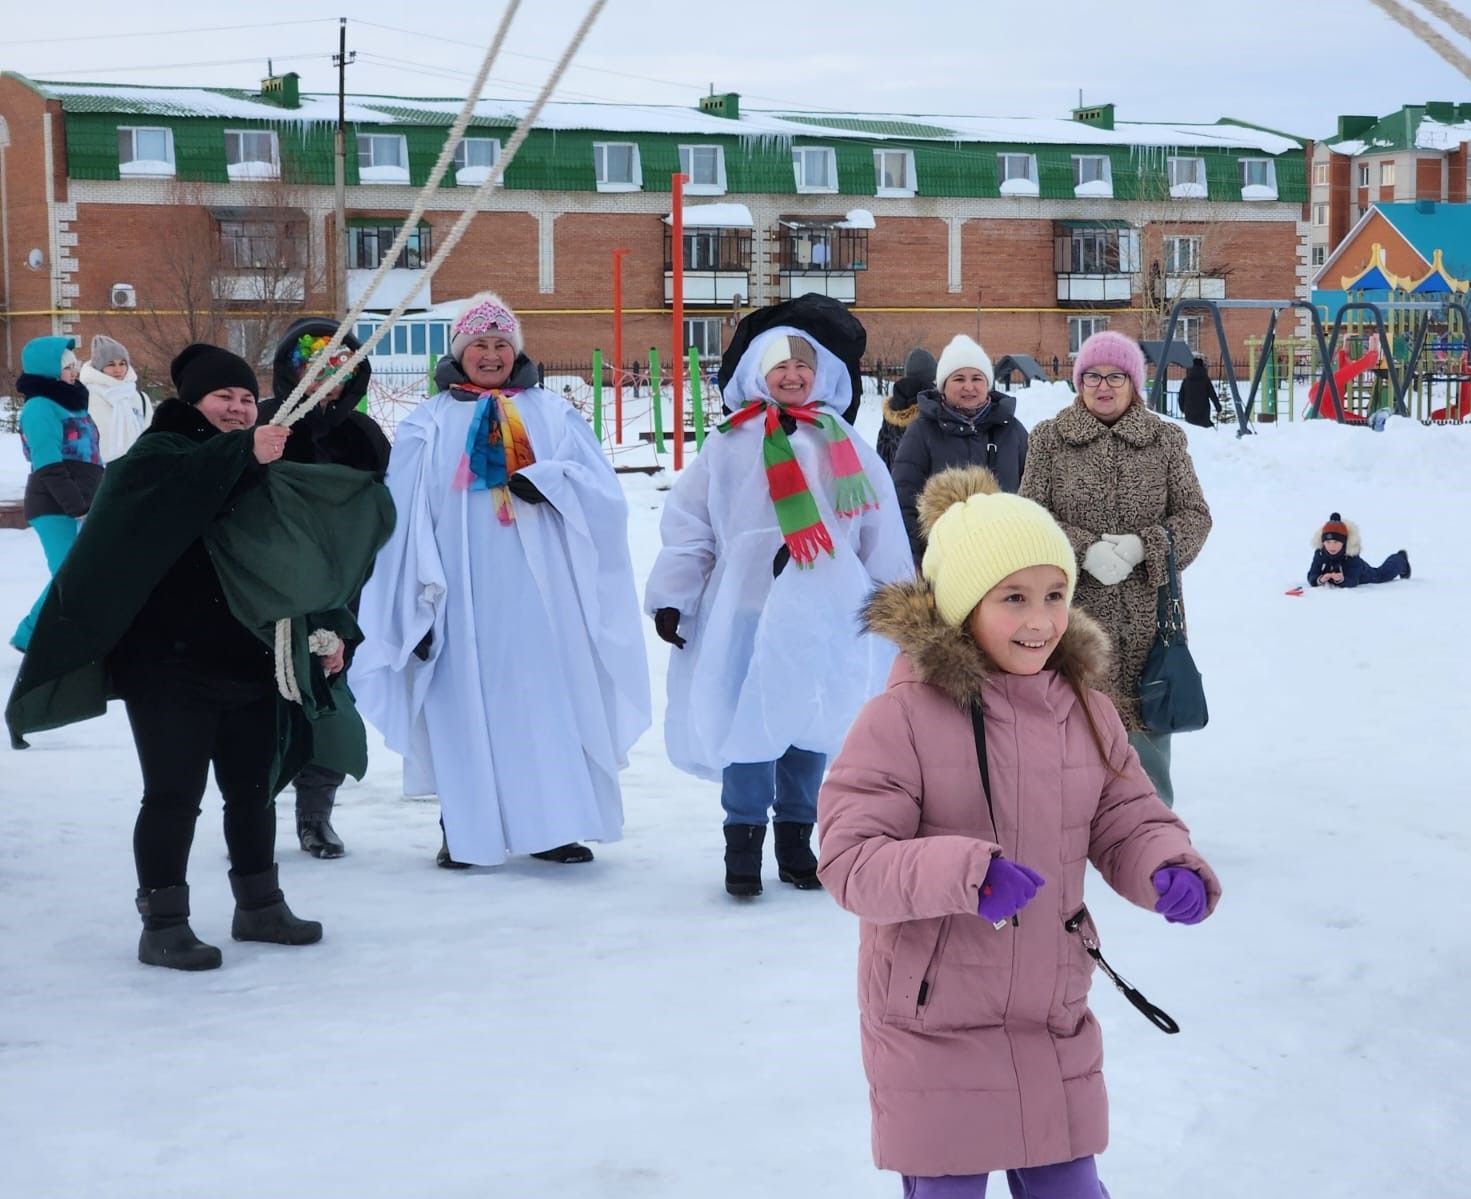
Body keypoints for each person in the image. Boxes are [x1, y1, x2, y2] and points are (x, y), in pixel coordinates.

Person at [817, 465, 1221, 1199]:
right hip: (932, 1022)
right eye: (1012, 598)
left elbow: (1123, 811)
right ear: (961, 605)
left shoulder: (1084, 707)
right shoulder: (901, 716)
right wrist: (964, 873)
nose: (1040, 619)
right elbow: (850, 859)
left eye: (1055, 595)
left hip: (1049, 1012)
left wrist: (1165, 860)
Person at [6, 343, 393, 970]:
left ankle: (259, 906)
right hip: (166, 662)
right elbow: (173, 504)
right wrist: (244, 453)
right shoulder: (151, 460)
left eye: (245, 399)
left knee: (253, 792)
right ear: (193, 403)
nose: (238, 409)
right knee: (172, 795)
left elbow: (288, 556)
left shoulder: (257, 462)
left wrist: (328, 630)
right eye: (224, 398)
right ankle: (163, 922)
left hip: (248, 656)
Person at [352, 291, 650, 870]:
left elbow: (604, 499)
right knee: (462, 706)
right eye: (479, 345)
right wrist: (414, 601)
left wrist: (555, 484)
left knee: (545, 705)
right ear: (459, 353)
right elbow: (405, 517)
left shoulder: (553, 414)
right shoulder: (428, 422)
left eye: (501, 345)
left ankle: (553, 825)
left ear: (516, 352)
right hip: (459, 597)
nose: (490, 355)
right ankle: (464, 827)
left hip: (544, 599)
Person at [644, 295, 913, 898]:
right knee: (748, 721)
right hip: (745, 605)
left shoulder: (842, 443)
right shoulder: (728, 445)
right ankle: (742, 843)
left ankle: (797, 840)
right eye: (779, 367)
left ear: (821, 375)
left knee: (810, 720)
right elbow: (692, 526)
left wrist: (895, 604)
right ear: (756, 375)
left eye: (803, 367)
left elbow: (877, 526)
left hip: (824, 609)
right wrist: (674, 595)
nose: (792, 377)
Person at [1020, 331, 1211, 808]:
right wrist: (1082, 549)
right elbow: (1030, 517)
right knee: (1072, 719)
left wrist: (1143, 547)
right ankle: (1074, 825)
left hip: (1150, 614)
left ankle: (1151, 822)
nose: (1103, 387)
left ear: (1134, 382)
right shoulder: (1049, 439)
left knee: (1147, 724)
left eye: (1115, 376)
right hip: (1072, 613)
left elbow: (1194, 516)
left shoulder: (1165, 440)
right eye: (1092, 376)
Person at [256, 318, 391, 859]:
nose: (324, 383)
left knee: (327, 698)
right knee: (259, 706)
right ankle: (250, 813)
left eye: (337, 371)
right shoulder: (264, 426)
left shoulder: (363, 437)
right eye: (310, 369)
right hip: (264, 590)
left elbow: (381, 516)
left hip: (339, 593)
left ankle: (316, 816)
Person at [892, 334, 1029, 562]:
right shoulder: (922, 431)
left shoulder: (1012, 430)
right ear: (944, 386)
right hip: (944, 559)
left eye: (977, 378)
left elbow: (1034, 494)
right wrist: (919, 559)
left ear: (987, 384)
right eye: (958, 379)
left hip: (1006, 557)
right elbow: (904, 499)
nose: (969, 387)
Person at [10, 336, 102, 654]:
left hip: (82, 499)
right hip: (53, 503)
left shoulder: (71, 404)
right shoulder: (40, 408)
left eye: (74, 364)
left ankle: (44, 635)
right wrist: (75, 505)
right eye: (66, 366)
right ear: (49, 369)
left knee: (79, 573)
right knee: (69, 572)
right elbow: (47, 463)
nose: (73, 370)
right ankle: (31, 636)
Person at [82, 334, 150, 462]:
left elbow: (150, 436)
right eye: (111, 364)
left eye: (122, 363)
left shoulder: (140, 398)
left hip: (137, 467)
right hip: (99, 471)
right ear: (99, 367)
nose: (118, 369)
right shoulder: (85, 397)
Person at [1307, 512, 1409, 588]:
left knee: (1381, 575)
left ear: (1344, 543)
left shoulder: (1351, 556)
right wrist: (1319, 579)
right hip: (1340, 575)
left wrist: (1341, 580)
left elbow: (1353, 581)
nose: (1331, 546)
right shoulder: (1320, 554)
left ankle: (1400, 559)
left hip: (1362, 573)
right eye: (1328, 542)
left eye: (1336, 542)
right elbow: (1312, 575)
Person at [874, 346, 935, 471]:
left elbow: (882, 454)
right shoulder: (933, 408)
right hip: (929, 487)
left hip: (895, 484)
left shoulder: (892, 410)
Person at [1177, 355, 1221, 429]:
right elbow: (1212, 395)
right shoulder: (1206, 379)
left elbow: (1181, 396)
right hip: (1203, 412)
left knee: (1192, 431)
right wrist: (1218, 407)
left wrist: (1182, 408)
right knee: (1203, 433)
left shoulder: (1186, 380)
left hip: (1189, 411)